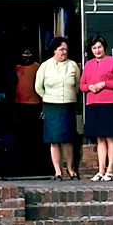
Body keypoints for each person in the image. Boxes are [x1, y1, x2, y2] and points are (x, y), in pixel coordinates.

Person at [79, 35, 113, 181]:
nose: (97, 50)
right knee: (100, 138)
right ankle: (100, 170)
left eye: (99, 47)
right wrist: (89, 87)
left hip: (109, 103)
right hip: (93, 104)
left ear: (104, 47)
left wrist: (104, 84)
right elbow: (82, 85)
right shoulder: (88, 65)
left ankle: (110, 170)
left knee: (110, 137)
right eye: (94, 48)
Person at [34, 37, 81, 180]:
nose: (64, 52)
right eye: (61, 49)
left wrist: (70, 96)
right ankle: (58, 171)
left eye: (66, 49)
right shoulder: (45, 66)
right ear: (54, 50)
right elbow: (38, 86)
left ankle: (71, 169)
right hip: (51, 106)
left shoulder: (73, 65)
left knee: (68, 139)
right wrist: (48, 97)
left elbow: (78, 85)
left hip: (68, 105)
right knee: (54, 140)